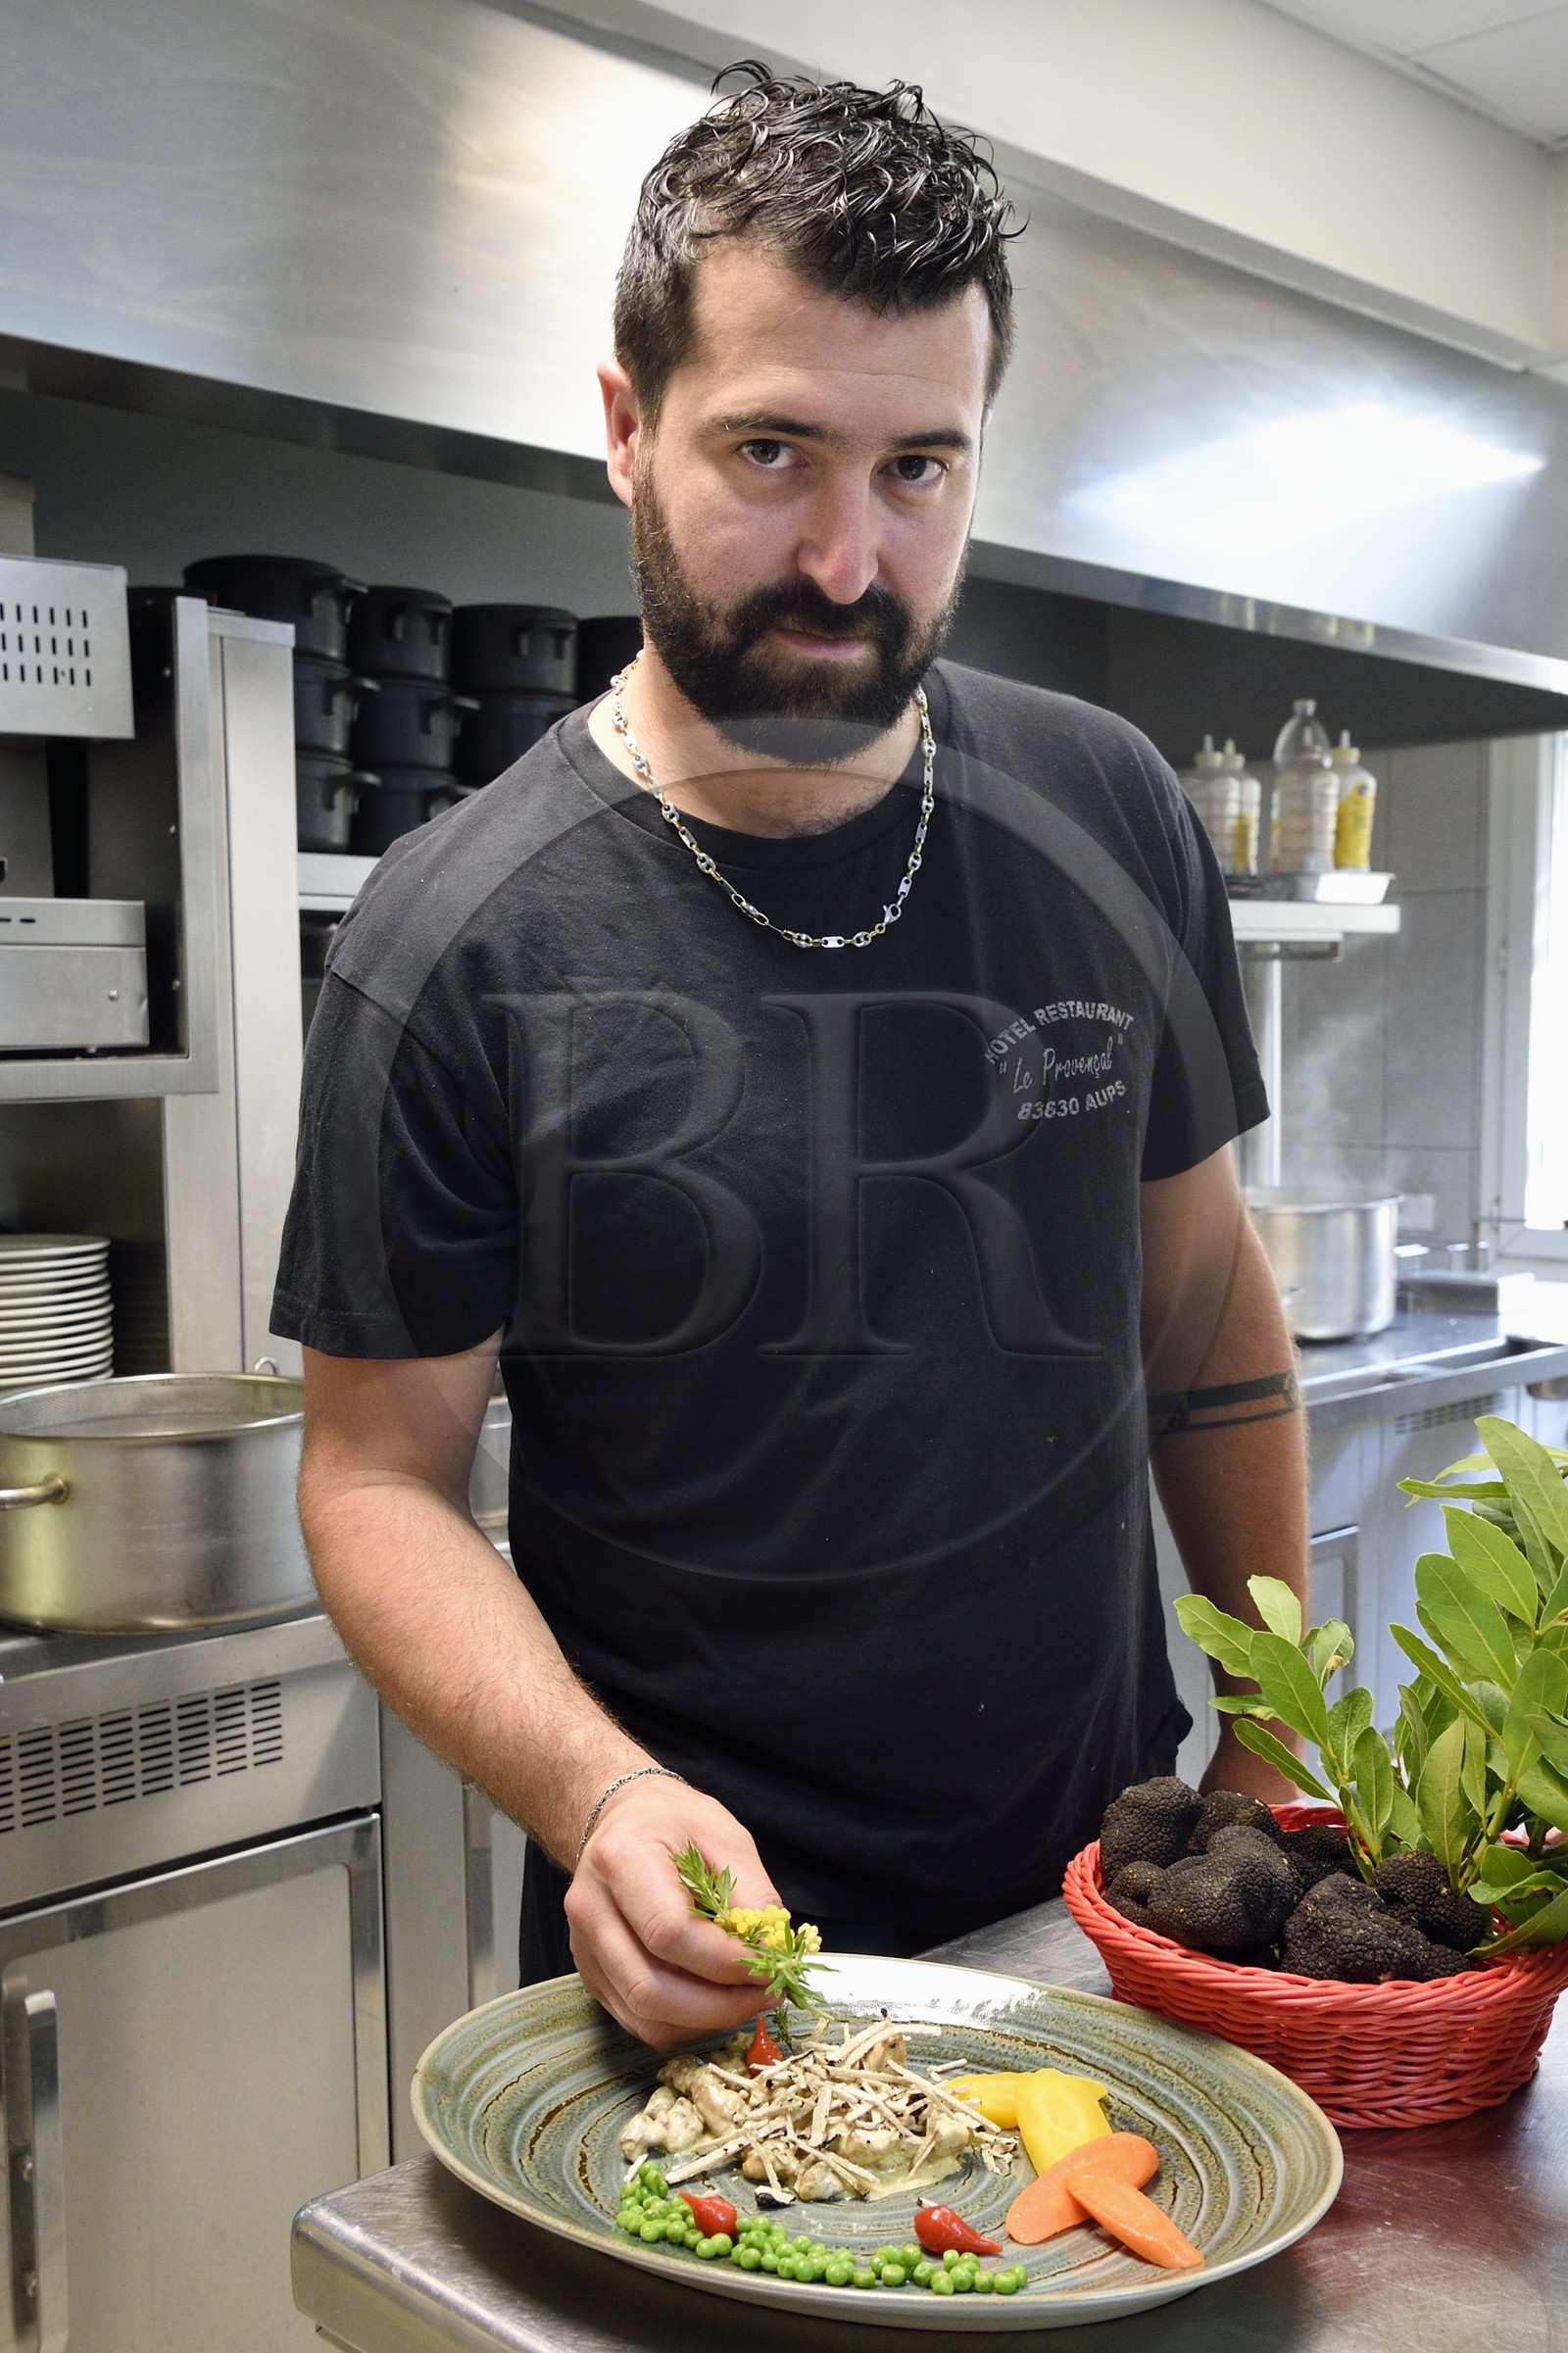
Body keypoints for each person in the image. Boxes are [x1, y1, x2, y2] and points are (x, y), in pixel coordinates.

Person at [273, 64, 1308, 2052]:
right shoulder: (451, 937)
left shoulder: (1109, 810)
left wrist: (1272, 1730)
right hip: (700, 1966)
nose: (847, 556)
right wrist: (599, 1794)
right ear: (623, 429)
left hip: (1110, 1908)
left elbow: (1201, 1306)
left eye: (918, 467)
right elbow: (378, 1477)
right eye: (772, 451)